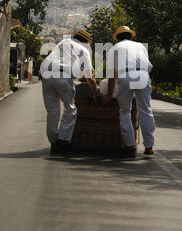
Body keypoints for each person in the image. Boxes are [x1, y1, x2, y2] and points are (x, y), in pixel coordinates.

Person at [40, 29, 98, 153]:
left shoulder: (63, 42)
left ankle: (53, 142)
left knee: (52, 111)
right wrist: (95, 92)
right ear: (86, 42)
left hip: (46, 73)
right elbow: (89, 76)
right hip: (63, 75)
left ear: (74, 36)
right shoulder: (84, 51)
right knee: (70, 109)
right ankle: (63, 139)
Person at [103, 26, 155, 156]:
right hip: (143, 75)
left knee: (125, 111)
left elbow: (111, 76)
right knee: (146, 110)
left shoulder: (114, 49)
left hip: (125, 76)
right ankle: (149, 146)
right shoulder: (140, 46)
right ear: (131, 37)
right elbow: (147, 66)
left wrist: (109, 95)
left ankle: (130, 144)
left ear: (117, 39)